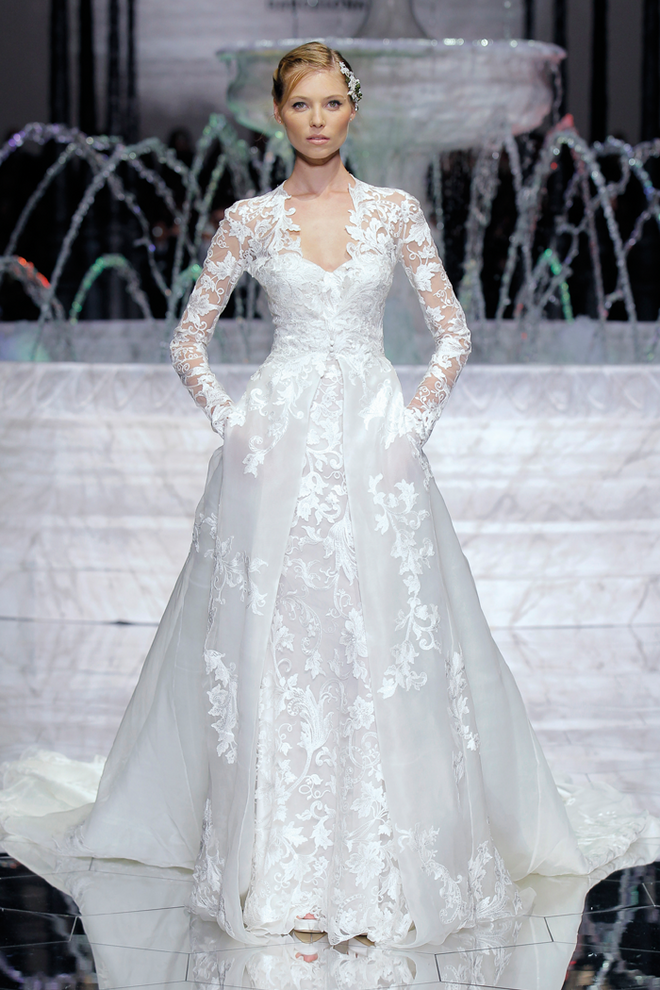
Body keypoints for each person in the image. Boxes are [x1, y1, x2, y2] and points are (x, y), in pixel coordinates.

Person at [0, 42, 657, 949]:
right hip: (273, 449)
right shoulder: (249, 220)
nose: (317, 120)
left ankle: (380, 860)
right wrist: (233, 424)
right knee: (278, 645)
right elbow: (187, 340)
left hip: (373, 446)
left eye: (330, 104)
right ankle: (283, 866)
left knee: (377, 641)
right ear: (279, 113)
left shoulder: (393, 213)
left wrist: (411, 427)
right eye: (300, 104)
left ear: (352, 111)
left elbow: (454, 333)